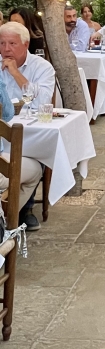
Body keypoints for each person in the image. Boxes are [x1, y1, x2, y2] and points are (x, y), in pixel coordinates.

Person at [0, 22, 56, 230]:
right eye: (2, 43)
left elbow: (42, 103)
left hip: (27, 127)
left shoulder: (42, 67)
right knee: (32, 168)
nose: (6, 49)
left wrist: (15, 73)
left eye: (12, 43)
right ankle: (10, 217)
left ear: (26, 44)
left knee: (35, 155)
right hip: (5, 135)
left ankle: (22, 210)